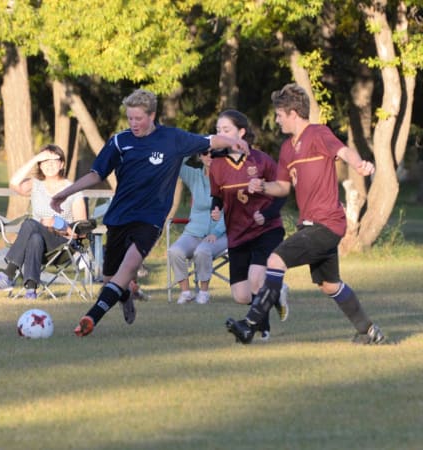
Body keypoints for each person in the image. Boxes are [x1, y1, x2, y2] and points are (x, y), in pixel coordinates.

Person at [50, 88, 250, 337]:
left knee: (130, 265)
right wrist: (66, 192)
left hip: (150, 218)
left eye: (139, 118)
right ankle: (124, 295)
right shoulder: (120, 141)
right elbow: (96, 174)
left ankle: (91, 318)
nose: (133, 123)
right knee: (111, 278)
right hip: (119, 216)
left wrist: (233, 142)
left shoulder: (173, 139)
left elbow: (211, 141)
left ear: (152, 116)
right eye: (130, 118)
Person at [226, 83, 385, 345]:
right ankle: (368, 330)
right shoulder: (288, 148)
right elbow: (284, 187)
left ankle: (250, 325)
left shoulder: (318, 133)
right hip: (309, 226)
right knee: (329, 285)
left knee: (275, 261)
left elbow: (343, 151)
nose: (276, 119)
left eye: (279, 114)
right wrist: (263, 186)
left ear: (293, 113)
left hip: (326, 224)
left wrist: (359, 164)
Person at [210, 109, 289, 341]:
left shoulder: (261, 160)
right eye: (218, 131)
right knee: (241, 295)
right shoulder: (216, 165)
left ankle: (262, 331)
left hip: (266, 229)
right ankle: (276, 293)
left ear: (241, 132)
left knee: (256, 279)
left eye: (226, 130)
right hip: (237, 233)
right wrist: (216, 207)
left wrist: (266, 213)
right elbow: (217, 195)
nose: (221, 135)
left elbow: (283, 192)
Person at [0, 144, 87, 299]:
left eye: (54, 161)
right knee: (34, 237)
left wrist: (58, 224)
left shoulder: (73, 190)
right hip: (37, 243)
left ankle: (8, 274)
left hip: (62, 244)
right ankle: (30, 292)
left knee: (30, 224)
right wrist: (35, 158)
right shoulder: (35, 185)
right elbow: (14, 183)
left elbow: (81, 231)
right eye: (45, 161)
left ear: (62, 164)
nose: (49, 165)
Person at [167, 151, 228, 305]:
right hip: (194, 232)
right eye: (205, 153)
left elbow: (231, 210)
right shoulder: (194, 176)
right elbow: (176, 162)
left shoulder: (228, 177)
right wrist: (194, 146)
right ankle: (186, 292)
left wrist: (216, 232)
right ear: (200, 157)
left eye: (214, 154)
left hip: (221, 234)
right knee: (174, 251)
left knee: (203, 250)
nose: (209, 157)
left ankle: (203, 293)